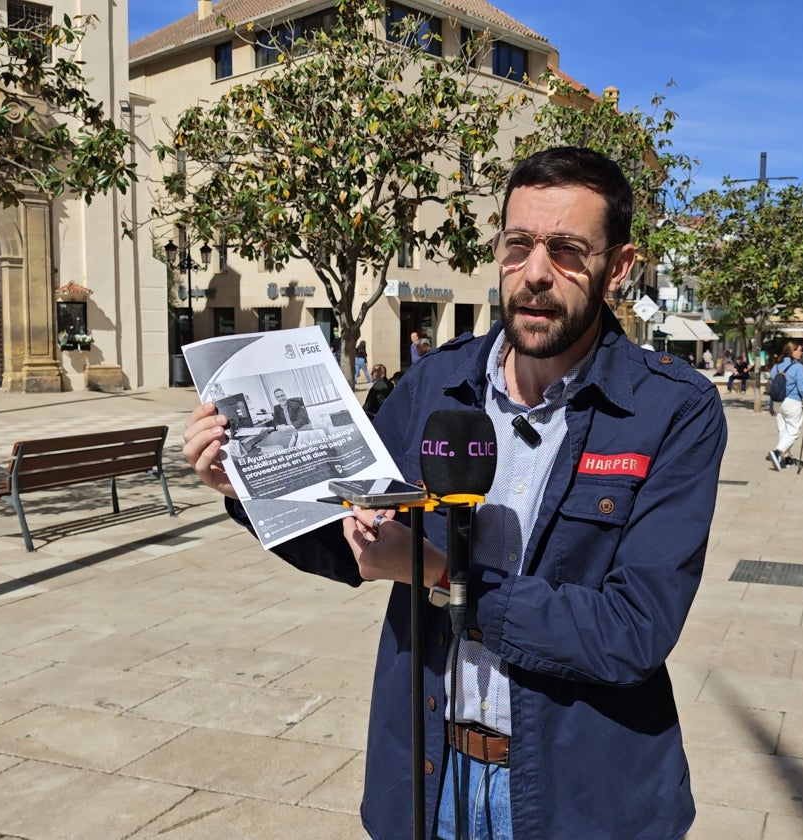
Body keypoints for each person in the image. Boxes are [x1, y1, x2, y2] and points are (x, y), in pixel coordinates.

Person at [182, 146, 727, 839]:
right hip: (429, 780)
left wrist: (439, 573)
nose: (535, 274)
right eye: (519, 244)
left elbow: (632, 631)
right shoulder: (432, 385)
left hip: (582, 799)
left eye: (566, 251)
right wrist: (247, 486)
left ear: (618, 267)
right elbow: (350, 537)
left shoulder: (672, 410)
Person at [766, 342, 803, 470]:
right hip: (792, 401)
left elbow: (772, 386)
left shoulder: (776, 367)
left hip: (777, 402)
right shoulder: (798, 367)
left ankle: (787, 458)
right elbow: (802, 387)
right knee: (794, 431)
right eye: (799, 350)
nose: (801, 353)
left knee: (783, 430)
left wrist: (770, 404)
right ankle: (778, 452)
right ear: (792, 352)